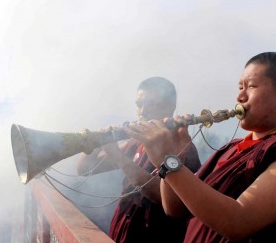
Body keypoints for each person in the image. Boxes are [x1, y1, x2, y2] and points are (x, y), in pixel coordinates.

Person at [119, 52, 276, 242]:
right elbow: (175, 208)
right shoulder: (230, 150)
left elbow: (239, 221)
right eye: (239, 86)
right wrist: (170, 157)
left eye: (251, 86)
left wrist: (168, 161)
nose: (240, 95)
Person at [77, 77, 201, 243]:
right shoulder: (136, 143)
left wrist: (119, 158)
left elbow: (165, 198)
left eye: (150, 104)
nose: (142, 112)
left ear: (170, 106)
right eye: (138, 105)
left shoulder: (182, 147)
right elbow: (85, 168)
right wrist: (97, 140)